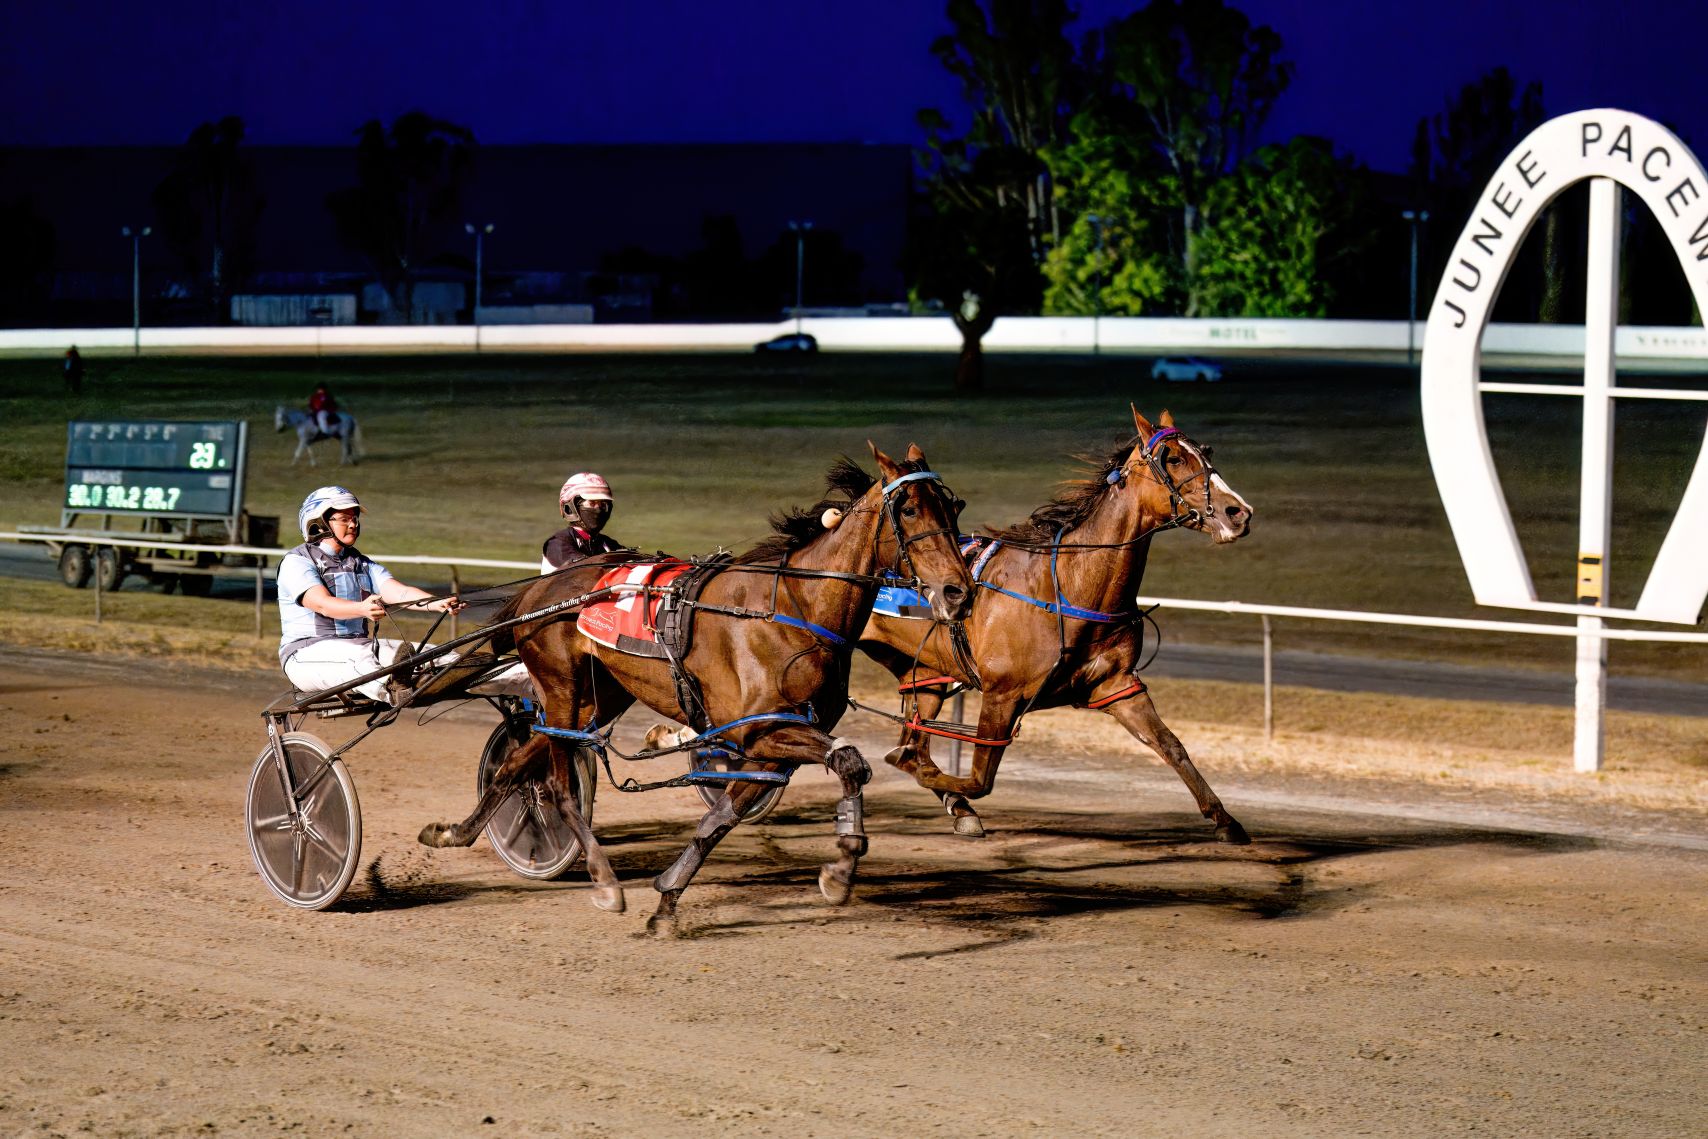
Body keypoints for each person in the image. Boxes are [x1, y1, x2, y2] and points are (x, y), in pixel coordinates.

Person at [277, 485, 463, 703]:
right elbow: (322, 604)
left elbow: (398, 591)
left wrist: (434, 603)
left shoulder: (360, 563)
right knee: (359, 661)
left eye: (354, 517)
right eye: (344, 518)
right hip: (306, 655)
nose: (353, 524)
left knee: (435, 656)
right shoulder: (297, 562)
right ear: (318, 522)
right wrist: (362, 608)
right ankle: (395, 690)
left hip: (359, 648)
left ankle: (511, 679)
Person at [541, 471, 626, 571]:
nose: (598, 510)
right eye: (592, 503)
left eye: (603, 505)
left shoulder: (608, 544)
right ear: (571, 507)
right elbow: (583, 566)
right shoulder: (557, 543)